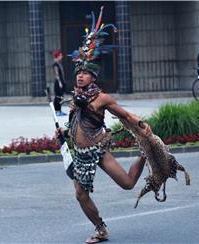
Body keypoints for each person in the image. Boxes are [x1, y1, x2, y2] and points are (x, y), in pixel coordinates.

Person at [57, 7, 152, 244]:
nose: (80, 76)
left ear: (94, 77)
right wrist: (64, 132)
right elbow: (74, 124)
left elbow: (125, 115)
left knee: (128, 184)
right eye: (79, 71)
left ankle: (145, 155)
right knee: (80, 194)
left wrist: (142, 126)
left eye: (86, 73)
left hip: (97, 149)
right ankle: (101, 228)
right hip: (80, 155)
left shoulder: (102, 98)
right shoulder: (74, 97)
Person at [52, 49, 67, 116]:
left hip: (61, 82)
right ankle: (57, 111)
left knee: (61, 97)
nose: (62, 56)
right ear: (57, 56)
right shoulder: (55, 64)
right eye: (60, 55)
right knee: (57, 97)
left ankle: (60, 110)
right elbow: (56, 74)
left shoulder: (58, 63)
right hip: (58, 83)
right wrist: (60, 82)